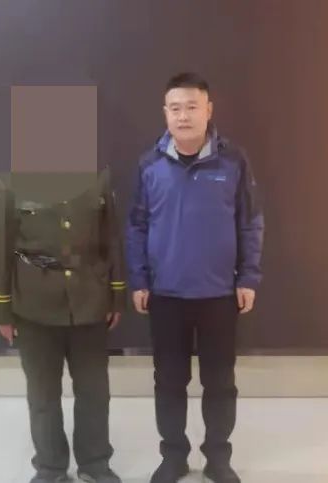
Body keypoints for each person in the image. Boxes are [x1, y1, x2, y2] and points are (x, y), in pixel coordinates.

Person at [125, 72, 265, 483]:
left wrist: (248, 276)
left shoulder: (233, 161)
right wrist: (139, 280)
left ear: (208, 110)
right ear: (165, 113)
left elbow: (250, 222)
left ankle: (218, 457)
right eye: (175, 108)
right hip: (166, 295)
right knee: (169, 382)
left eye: (191, 107)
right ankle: (173, 456)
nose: (183, 116)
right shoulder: (149, 164)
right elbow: (136, 225)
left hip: (219, 293)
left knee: (220, 382)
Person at [0, 167, 126, 483]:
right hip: (33, 306)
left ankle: (95, 463)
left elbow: (112, 240)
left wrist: (117, 295)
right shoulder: (9, 181)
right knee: (43, 394)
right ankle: (50, 467)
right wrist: (2, 309)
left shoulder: (98, 177)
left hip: (90, 302)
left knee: (94, 391)